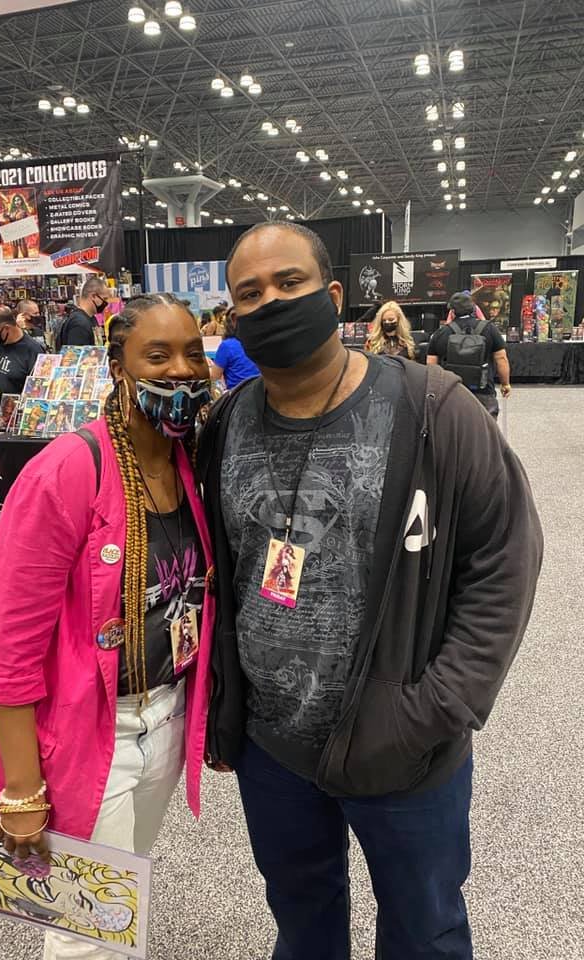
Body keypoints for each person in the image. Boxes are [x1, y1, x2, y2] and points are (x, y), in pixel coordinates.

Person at [198, 222, 543, 960]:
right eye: (249, 294)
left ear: (332, 297)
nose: (270, 302)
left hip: (404, 744)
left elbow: (505, 558)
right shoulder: (225, 424)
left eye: (289, 283)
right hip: (272, 747)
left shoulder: (433, 408)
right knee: (302, 921)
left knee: (425, 932)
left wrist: (436, 707)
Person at [0, 293, 214, 960]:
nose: (182, 371)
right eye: (158, 355)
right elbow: (6, 648)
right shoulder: (69, 470)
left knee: (118, 898)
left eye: (193, 353)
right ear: (117, 367)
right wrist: (22, 791)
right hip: (90, 733)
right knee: (88, 933)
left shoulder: (188, 463)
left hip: (166, 716)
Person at [428, 291, 511, 419]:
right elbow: (501, 359)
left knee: (455, 429)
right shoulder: (489, 329)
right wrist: (505, 384)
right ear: (473, 309)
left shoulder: (441, 333)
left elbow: (431, 366)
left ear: (452, 312)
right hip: (484, 392)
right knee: (486, 429)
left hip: (452, 393)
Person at [210, 308, 260, 389]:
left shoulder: (226, 346)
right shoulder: (259, 342)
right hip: (261, 392)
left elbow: (214, 377)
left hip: (238, 393)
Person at [56, 277, 108, 348]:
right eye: (104, 299)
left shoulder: (91, 318)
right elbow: (76, 353)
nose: (106, 303)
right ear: (94, 296)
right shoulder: (79, 324)